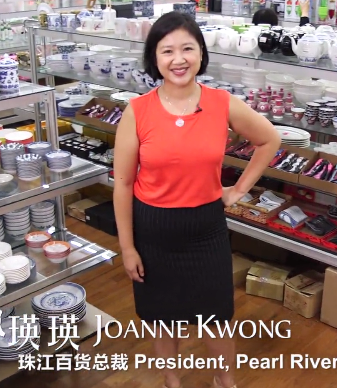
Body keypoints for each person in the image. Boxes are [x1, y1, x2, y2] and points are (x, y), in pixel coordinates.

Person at [113, 11, 281, 388]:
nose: (178, 59)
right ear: (154, 59)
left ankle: (225, 381)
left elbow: (269, 139)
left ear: (201, 55)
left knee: (216, 317)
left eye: (188, 48)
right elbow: (122, 184)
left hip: (205, 230)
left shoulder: (222, 103)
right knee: (161, 317)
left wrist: (238, 191)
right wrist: (127, 248)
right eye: (167, 50)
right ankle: (173, 382)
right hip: (152, 230)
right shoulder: (137, 111)